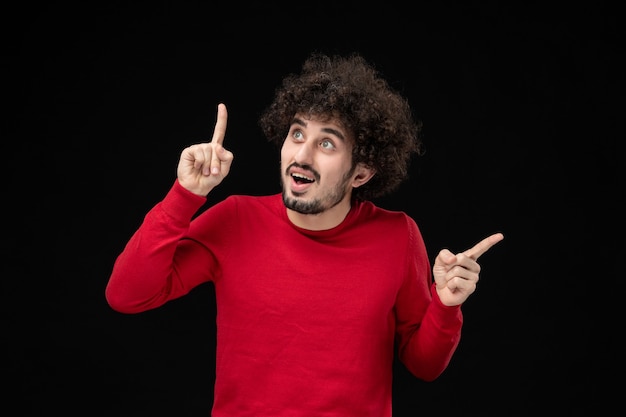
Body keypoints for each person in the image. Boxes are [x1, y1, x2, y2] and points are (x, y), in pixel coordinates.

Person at [105, 52, 504, 416]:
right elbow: (127, 295)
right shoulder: (236, 219)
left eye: (326, 143)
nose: (301, 155)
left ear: (361, 173)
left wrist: (446, 304)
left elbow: (424, 365)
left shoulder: (398, 236)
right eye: (297, 134)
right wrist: (185, 195)